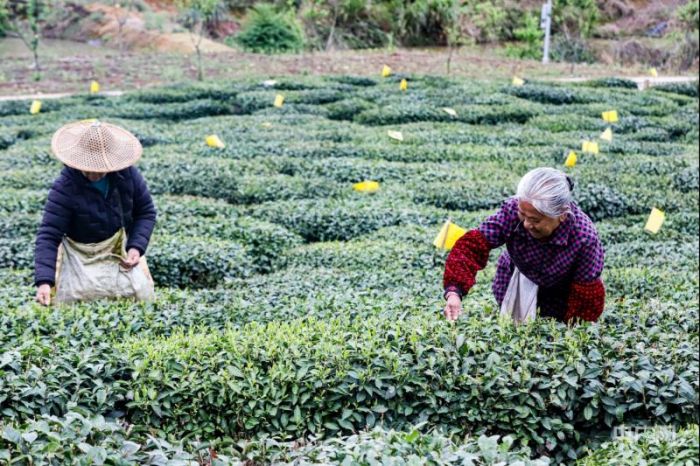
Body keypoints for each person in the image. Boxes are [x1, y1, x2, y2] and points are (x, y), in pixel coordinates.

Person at [443, 167, 605, 324]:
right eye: (523, 215)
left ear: (561, 214)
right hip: (516, 276)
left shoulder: (584, 238)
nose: (526, 224)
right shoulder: (513, 211)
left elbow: (586, 294)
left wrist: (574, 329)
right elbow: (472, 246)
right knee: (514, 334)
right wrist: (454, 292)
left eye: (535, 220)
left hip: (561, 294)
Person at [34, 120, 156, 305]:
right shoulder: (65, 187)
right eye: (89, 168)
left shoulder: (128, 175)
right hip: (79, 254)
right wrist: (44, 281)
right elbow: (49, 235)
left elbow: (145, 212)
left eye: (101, 169)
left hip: (120, 249)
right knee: (71, 304)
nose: (95, 174)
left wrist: (135, 247)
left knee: (139, 298)